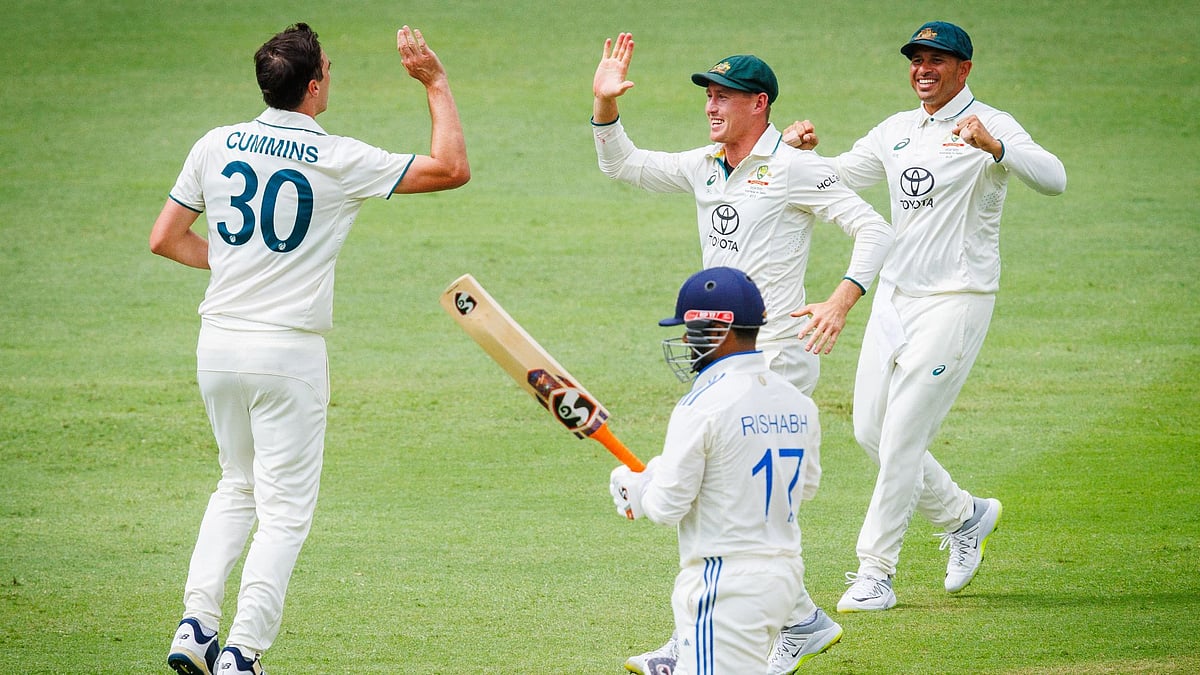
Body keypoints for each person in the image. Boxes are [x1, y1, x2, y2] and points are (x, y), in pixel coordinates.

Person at [151, 22, 469, 674]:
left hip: (218, 345)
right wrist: (434, 83)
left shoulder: (215, 144)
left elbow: (165, 237)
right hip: (287, 353)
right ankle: (242, 652)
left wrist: (241, 264)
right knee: (285, 512)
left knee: (235, 485)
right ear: (315, 84)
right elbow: (451, 168)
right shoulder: (335, 157)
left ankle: (196, 624)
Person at [592, 33, 893, 674]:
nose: (711, 105)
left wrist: (840, 301)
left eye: (723, 95)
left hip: (776, 350)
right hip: (718, 347)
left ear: (760, 103)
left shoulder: (796, 168)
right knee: (724, 490)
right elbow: (625, 166)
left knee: (710, 487)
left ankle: (698, 640)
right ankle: (799, 620)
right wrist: (604, 106)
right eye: (708, 94)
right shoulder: (706, 165)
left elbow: (874, 228)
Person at [781, 20, 1066, 612]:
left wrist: (997, 149)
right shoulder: (895, 131)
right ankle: (965, 516)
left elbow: (1055, 179)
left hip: (957, 299)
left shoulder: (992, 123)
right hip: (894, 296)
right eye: (916, 58)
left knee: (905, 433)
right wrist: (799, 153)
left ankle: (875, 572)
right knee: (870, 432)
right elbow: (837, 176)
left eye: (937, 59)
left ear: (964, 68)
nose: (923, 68)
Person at [609, 267, 843, 675]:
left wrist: (637, 489)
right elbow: (805, 487)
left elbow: (666, 507)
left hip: (725, 586)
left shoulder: (702, 404)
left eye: (692, 328)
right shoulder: (797, 401)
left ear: (721, 330)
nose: (685, 339)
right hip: (784, 580)